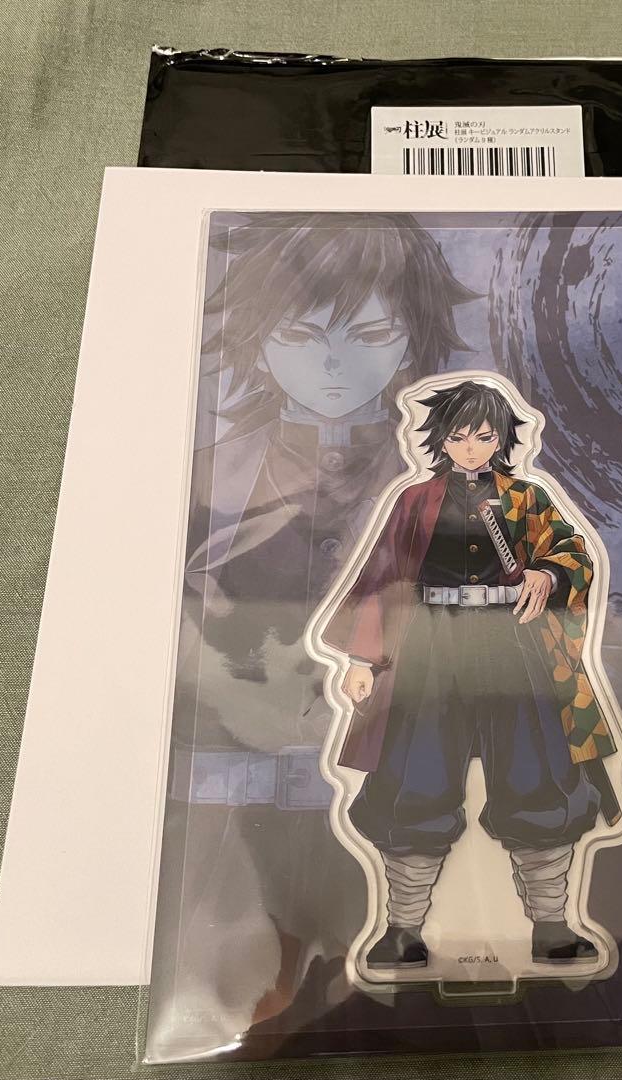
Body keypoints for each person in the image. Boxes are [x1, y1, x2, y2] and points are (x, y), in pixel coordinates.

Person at [148, 213, 480, 1053]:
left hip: (389, 760)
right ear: (258, 341)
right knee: (238, 972)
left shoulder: (445, 480)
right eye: (299, 336)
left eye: (368, 335)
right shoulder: (211, 473)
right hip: (232, 766)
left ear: (412, 340)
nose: (333, 365)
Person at [322, 380, 620, 969]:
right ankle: (402, 929)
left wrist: (546, 575)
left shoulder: (527, 497)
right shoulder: (416, 500)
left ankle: (551, 925)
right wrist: (362, 658)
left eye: (483, 436)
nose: (471, 448)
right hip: (430, 646)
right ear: (440, 439)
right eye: (459, 436)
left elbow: (573, 552)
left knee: (537, 773)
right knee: (416, 775)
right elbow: (383, 575)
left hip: (513, 641)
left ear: (502, 438)